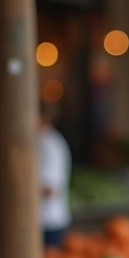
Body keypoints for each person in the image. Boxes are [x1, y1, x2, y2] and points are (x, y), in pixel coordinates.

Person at [39, 100, 72, 249]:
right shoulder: (40, 141)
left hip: (47, 221)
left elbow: (49, 188)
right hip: (42, 220)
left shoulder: (49, 144)